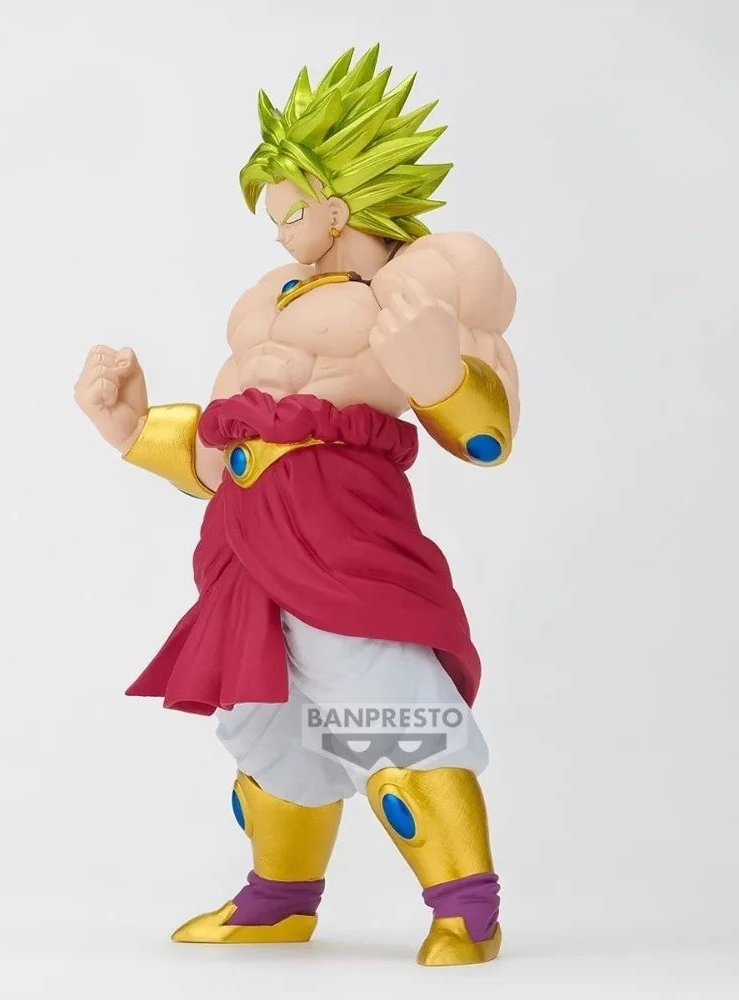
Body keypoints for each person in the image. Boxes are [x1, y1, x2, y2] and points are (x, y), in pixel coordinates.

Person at [74, 44, 519, 967]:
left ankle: (466, 908)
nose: (275, 227)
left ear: (336, 202)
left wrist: (441, 376)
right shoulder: (266, 298)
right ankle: (280, 900)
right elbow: (227, 451)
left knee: (386, 704)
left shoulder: (421, 279)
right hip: (243, 539)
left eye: (287, 207)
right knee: (261, 718)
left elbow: (488, 434)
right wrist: (133, 429)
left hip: (340, 530)